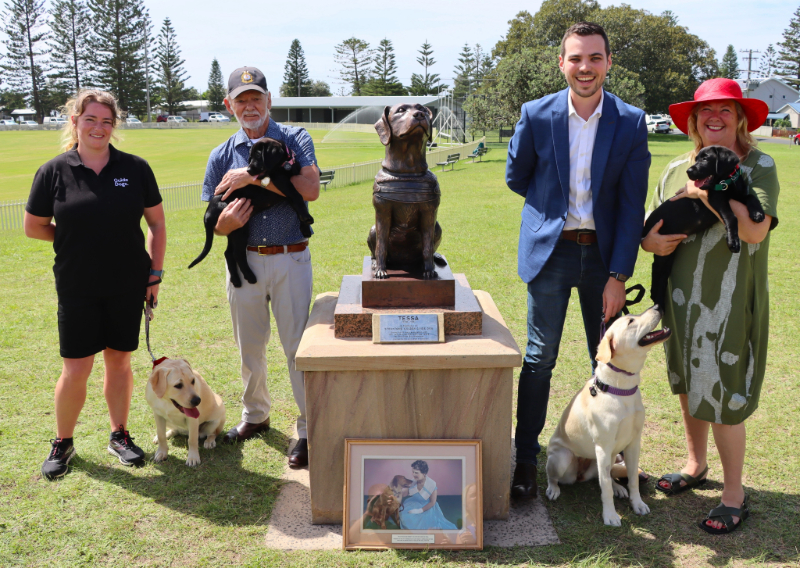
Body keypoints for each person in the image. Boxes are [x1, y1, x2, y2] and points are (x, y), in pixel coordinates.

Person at [505, 22, 650, 500]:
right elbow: (517, 176)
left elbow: (632, 206)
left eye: (594, 58)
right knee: (539, 357)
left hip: (604, 257)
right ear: (561, 63)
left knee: (606, 359)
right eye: (575, 58)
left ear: (608, 62)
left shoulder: (629, 121)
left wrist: (618, 276)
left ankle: (618, 463)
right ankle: (526, 459)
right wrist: (553, 209)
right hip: (552, 251)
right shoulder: (536, 113)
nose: (584, 67)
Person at [642, 78, 777, 534]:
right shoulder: (679, 165)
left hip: (731, 298)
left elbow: (756, 232)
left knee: (723, 390)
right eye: (705, 111)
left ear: (740, 118)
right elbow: (653, 229)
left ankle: (734, 493)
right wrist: (650, 241)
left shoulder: (758, 166)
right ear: (694, 122)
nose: (714, 117)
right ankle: (695, 464)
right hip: (680, 297)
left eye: (724, 109)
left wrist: (705, 193)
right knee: (686, 380)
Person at [24, 89, 166, 480]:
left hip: (127, 283)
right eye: (90, 119)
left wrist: (154, 274)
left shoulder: (135, 168)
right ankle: (63, 442)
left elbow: (156, 223)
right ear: (75, 121)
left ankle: (119, 434)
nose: (98, 127)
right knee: (76, 368)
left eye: (106, 121)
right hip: (77, 285)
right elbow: (33, 227)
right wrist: (73, 240)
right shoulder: (53, 171)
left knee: (119, 362)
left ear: (114, 126)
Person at [202, 66, 320, 467]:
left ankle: (307, 428)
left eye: (256, 98)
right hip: (245, 261)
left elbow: (310, 189)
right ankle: (256, 415)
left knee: (297, 348)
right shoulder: (221, 154)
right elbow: (213, 217)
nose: (249, 106)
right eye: (241, 100)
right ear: (229, 105)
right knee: (249, 347)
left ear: (269, 100)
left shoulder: (294, 139)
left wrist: (256, 178)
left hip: (291, 255)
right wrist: (225, 225)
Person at [398, 460, 457, 530]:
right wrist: (399, 492)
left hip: (428, 506)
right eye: (413, 472)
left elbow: (432, 502)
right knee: (406, 515)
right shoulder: (413, 481)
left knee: (425, 524)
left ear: (424, 473)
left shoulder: (431, 484)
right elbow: (405, 492)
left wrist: (419, 510)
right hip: (414, 502)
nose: (414, 475)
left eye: (416, 473)